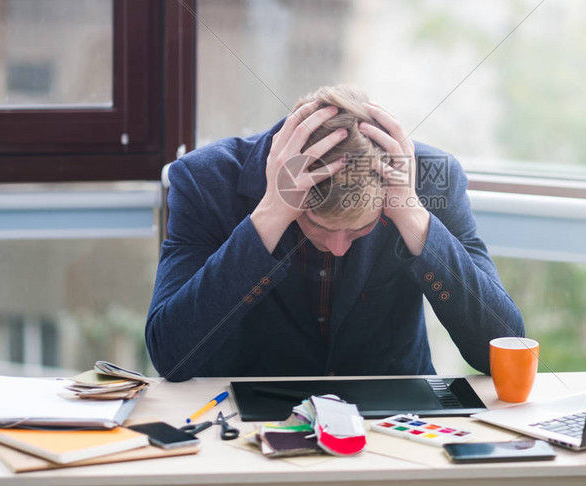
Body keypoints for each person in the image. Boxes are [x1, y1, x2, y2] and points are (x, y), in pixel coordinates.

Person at [146, 85, 524, 381]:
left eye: (361, 228)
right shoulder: (204, 181)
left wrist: (412, 218)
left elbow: (500, 349)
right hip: (249, 426)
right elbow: (171, 356)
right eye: (318, 226)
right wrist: (271, 214)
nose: (339, 248)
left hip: (393, 427)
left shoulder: (431, 179)